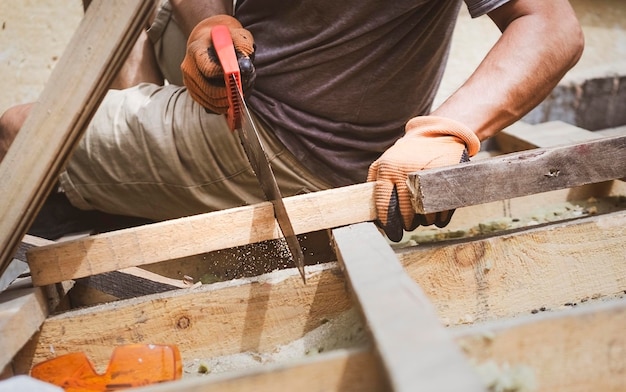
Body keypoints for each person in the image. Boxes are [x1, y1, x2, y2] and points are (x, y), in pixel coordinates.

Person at [0, 0, 583, 242]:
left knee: (16, 134)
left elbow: (550, 25)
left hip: (295, 148)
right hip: (245, 85)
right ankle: (139, 170)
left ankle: (130, 181)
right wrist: (213, 23)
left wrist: (444, 130)